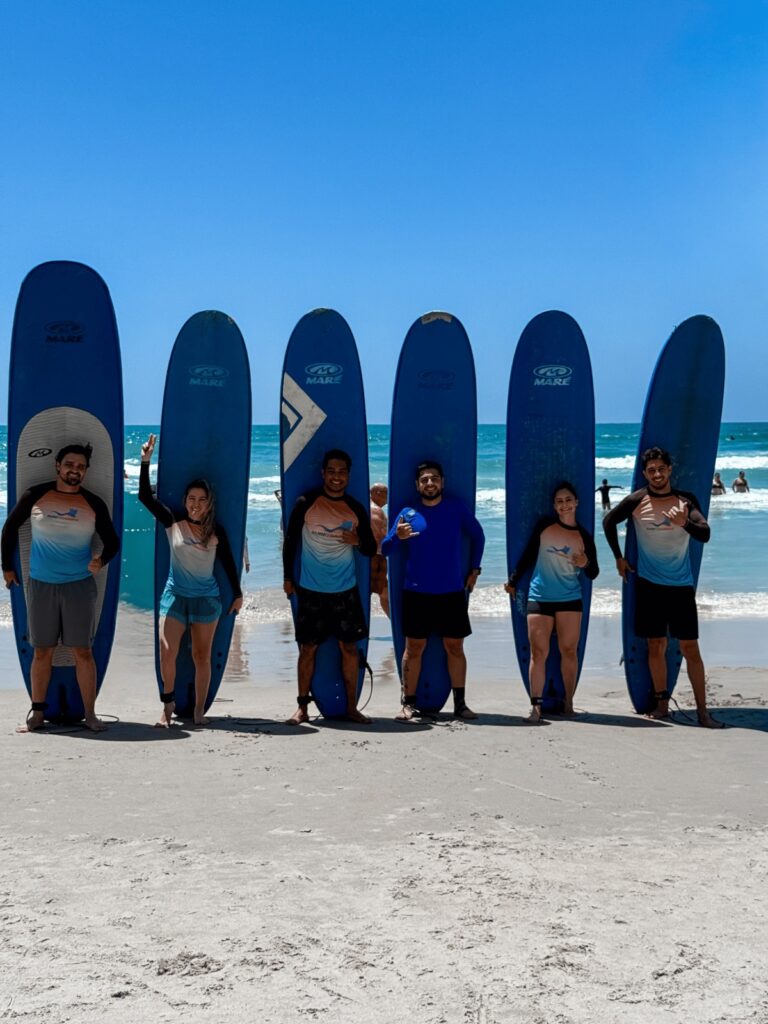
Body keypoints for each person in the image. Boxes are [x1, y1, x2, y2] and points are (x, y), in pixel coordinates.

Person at [603, 446, 723, 728]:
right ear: (645, 473)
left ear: (670, 470)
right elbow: (609, 521)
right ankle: (661, 707)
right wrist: (619, 558)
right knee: (655, 646)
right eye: (651, 470)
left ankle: (703, 713)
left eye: (661, 469)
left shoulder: (685, 501)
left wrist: (685, 524)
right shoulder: (637, 500)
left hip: (680, 586)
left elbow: (705, 534)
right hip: (648, 585)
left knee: (690, 648)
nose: (657, 474)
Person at [1, 444, 119, 732]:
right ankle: (38, 714)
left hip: (78, 586)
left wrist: (101, 561)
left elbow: (113, 542)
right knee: (42, 652)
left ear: (85, 470)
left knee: (83, 652)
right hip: (42, 585)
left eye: (80, 466)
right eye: (69, 464)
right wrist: (6, 567)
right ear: (57, 465)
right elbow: (9, 528)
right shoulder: (36, 494)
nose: (74, 470)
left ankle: (90, 714)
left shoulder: (93, 503)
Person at [139, 434, 243, 727]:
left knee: (201, 656)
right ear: (184, 501)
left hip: (206, 600)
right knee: (167, 652)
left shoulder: (215, 530)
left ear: (210, 504)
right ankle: (167, 706)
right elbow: (146, 498)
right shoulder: (173, 522)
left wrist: (237, 593)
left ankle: (199, 711)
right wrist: (146, 460)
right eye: (191, 499)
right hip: (175, 596)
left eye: (201, 500)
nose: (195, 504)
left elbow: (227, 564)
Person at [381, 460, 484, 722]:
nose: (430, 483)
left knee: (455, 648)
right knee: (414, 649)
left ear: (442, 482)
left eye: (434, 478)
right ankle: (408, 704)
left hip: (451, 591)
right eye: (424, 479)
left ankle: (460, 704)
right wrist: (397, 537)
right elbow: (385, 548)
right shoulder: (408, 512)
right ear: (417, 485)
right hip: (416, 592)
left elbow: (478, 535)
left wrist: (474, 569)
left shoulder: (455, 508)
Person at [282, 449, 377, 725]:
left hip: (345, 591)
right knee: (308, 649)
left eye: (342, 472)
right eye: (332, 471)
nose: (337, 477)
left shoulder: (356, 508)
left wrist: (357, 540)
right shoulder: (306, 502)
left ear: (348, 475)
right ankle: (302, 708)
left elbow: (371, 549)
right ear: (323, 473)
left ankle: (351, 708)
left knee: (349, 649)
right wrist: (288, 578)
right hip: (311, 590)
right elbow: (290, 542)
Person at [505, 483, 599, 721]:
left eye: (568, 500)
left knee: (568, 651)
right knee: (538, 652)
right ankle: (536, 706)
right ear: (554, 506)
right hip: (540, 596)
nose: (564, 504)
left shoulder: (583, 536)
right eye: (559, 501)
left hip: (569, 599)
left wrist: (585, 563)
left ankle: (568, 702)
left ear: (576, 502)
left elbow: (594, 572)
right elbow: (528, 554)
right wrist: (513, 580)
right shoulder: (545, 527)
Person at [369, 482, 390, 618]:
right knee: (383, 593)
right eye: (386, 493)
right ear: (378, 493)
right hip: (375, 557)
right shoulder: (376, 510)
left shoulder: (369, 508)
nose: (388, 497)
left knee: (384, 592)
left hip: (373, 556)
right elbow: (378, 536)